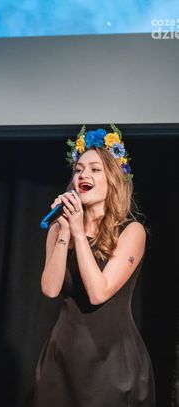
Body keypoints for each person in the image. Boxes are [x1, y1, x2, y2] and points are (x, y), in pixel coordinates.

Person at [34, 126, 155, 406]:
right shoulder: (60, 228)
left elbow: (98, 293)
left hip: (110, 358)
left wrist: (78, 233)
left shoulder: (131, 231)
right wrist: (65, 230)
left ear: (113, 180)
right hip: (63, 356)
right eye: (78, 170)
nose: (83, 175)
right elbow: (50, 289)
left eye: (94, 169)